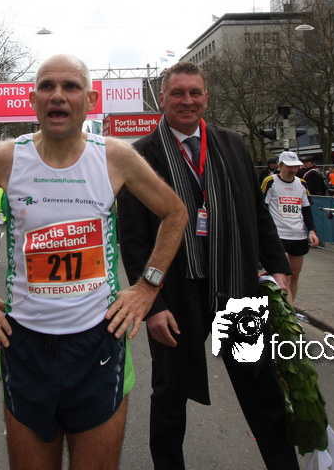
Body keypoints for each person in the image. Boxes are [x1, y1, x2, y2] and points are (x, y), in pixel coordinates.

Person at [0, 54, 187, 470]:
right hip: (24, 344)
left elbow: (175, 213)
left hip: (98, 342)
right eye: (47, 86)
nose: (57, 95)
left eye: (70, 87)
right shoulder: (7, 158)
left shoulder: (114, 157)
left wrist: (147, 287)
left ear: (90, 100)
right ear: (32, 99)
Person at [116, 61, 297, 470]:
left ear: (206, 98)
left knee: (263, 392)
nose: (187, 101)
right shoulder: (140, 155)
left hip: (236, 286)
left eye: (195, 93)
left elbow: (257, 211)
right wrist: (153, 305)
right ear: (163, 99)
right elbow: (134, 240)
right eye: (178, 93)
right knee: (169, 397)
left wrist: (277, 264)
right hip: (177, 293)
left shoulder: (231, 143)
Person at [261, 151, 320, 312]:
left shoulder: (302, 184)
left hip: (298, 235)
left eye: (295, 167)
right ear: (280, 166)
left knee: (294, 276)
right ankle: (289, 314)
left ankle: (283, 309)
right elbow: (262, 207)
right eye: (289, 166)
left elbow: (306, 209)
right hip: (279, 235)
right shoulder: (270, 181)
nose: (293, 170)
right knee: (284, 277)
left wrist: (312, 231)